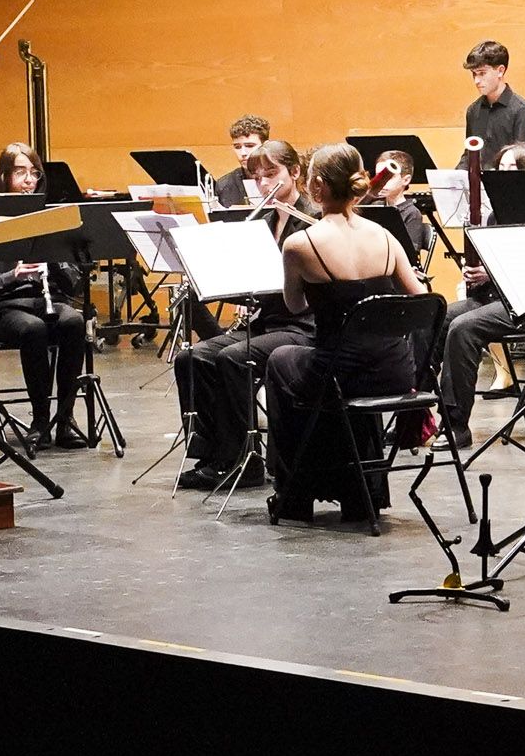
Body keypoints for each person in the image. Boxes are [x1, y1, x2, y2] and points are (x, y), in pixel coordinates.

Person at [261, 143, 430, 523]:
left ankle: (295, 496)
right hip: (395, 371)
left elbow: (295, 307)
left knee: (281, 361)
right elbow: (423, 302)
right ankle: (360, 492)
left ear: (316, 186)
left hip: (340, 372)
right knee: (326, 371)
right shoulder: (386, 237)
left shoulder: (299, 243)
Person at [171, 143, 316, 489]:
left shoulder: (313, 219)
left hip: (304, 326)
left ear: (294, 172)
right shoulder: (264, 222)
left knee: (234, 358)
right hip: (269, 321)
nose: (265, 185)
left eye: (272, 175)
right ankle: (213, 454)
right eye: (258, 178)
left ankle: (245, 460)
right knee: (192, 357)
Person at [435, 143, 525, 447]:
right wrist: (476, 274)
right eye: (500, 169)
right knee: (436, 317)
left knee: (464, 329)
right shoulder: (494, 217)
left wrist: (492, 272)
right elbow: (489, 276)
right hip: (495, 298)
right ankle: (415, 413)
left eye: (511, 169)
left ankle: (456, 426)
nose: (502, 175)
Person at [0, 143, 96, 448]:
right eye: (21, 172)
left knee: (72, 321)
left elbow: (73, 282)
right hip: (5, 305)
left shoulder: (49, 217)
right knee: (33, 329)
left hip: (46, 298)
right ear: (5, 176)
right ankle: (41, 420)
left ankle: (65, 419)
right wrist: (12, 275)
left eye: (34, 173)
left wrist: (56, 258)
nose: (29, 180)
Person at [464, 40, 525, 167]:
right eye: (474, 74)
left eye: (482, 73)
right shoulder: (473, 110)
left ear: (500, 71)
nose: (476, 81)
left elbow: (522, 161)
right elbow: (471, 154)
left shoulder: (522, 110)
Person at [210, 115, 271, 206]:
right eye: (237, 147)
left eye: (250, 146)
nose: (243, 153)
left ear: (266, 145)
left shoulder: (282, 178)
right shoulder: (224, 184)